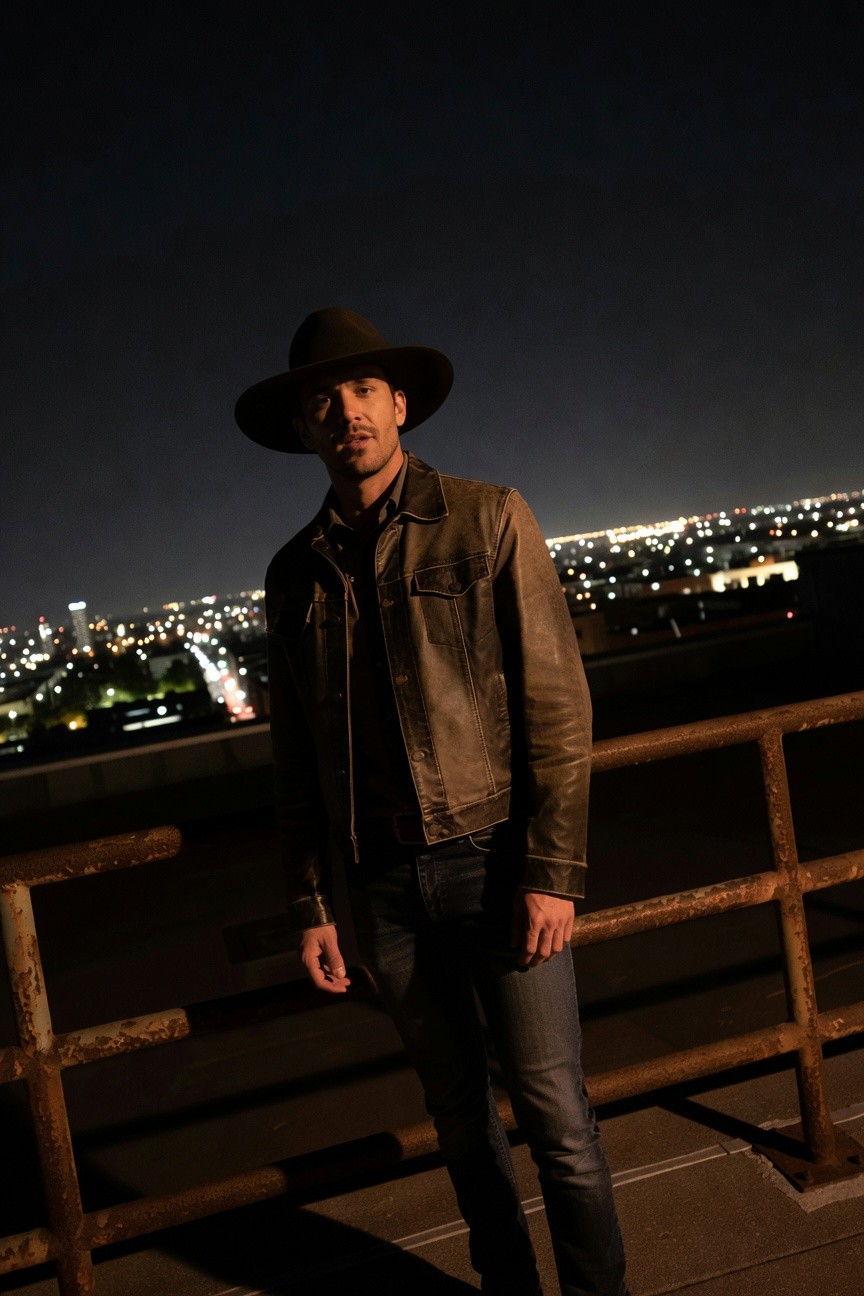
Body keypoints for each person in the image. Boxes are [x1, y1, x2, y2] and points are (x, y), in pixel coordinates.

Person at [235, 308, 629, 1296]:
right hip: (382, 890)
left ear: (400, 404)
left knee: (556, 1120)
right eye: (323, 399)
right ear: (304, 428)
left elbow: (558, 707)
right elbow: (294, 757)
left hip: (497, 863)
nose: (346, 412)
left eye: (364, 390)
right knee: (460, 1126)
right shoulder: (294, 576)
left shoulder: (488, 516)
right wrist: (312, 902)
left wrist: (550, 872)